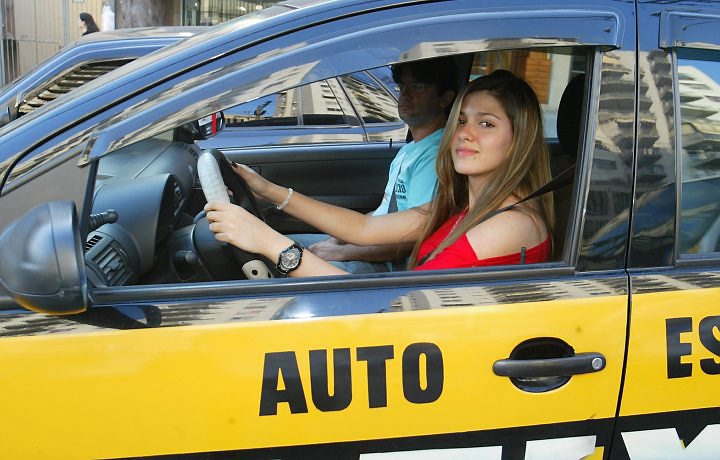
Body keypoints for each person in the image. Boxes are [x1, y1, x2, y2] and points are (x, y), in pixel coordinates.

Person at [205, 69, 554, 277]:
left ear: (518, 138)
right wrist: (266, 189)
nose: (465, 132)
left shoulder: (509, 223)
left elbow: (395, 310)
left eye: (486, 124)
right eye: (461, 120)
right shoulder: (466, 205)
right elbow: (365, 228)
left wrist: (270, 243)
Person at [293, 57, 459, 274]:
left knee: (291, 260)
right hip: (370, 245)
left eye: (418, 86)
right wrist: (339, 238)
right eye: (402, 86)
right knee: (283, 244)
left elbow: (411, 241)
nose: (405, 94)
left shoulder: (435, 154)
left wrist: (343, 252)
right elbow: (385, 211)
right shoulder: (409, 150)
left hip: (390, 265)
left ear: (445, 99)